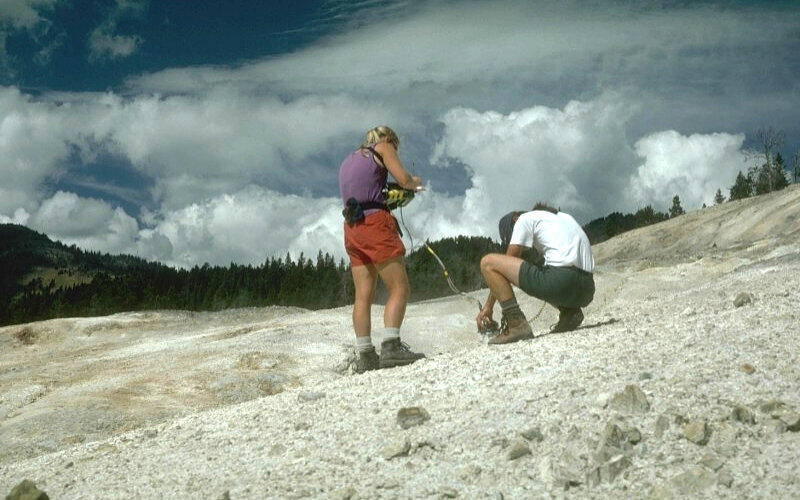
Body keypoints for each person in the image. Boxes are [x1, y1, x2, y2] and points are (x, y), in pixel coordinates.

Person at [339, 125, 426, 372]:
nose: (394, 149)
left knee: (363, 295)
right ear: (388, 139)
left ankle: (366, 355)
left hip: (351, 225)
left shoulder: (350, 159)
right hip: (375, 222)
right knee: (399, 287)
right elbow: (404, 180)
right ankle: (391, 346)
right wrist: (415, 184)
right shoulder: (383, 147)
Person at [476, 203, 595, 344]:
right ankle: (570, 313)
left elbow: (509, 260)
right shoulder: (564, 217)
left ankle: (516, 323)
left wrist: (488, 307)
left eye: (511, 236)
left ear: (514, 220)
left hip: (562, 281)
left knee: (488, 263)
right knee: (542, 268)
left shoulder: (523, 219)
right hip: (587, 290)